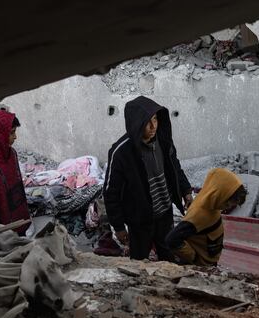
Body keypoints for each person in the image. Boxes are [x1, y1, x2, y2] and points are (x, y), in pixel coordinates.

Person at [103, 96, 193, 261]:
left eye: (155, 119)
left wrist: (186, 191)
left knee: (167, 256)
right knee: (140, 261)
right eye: (147, 122)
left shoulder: (163, 140)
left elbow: (175, 167)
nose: (153, 126)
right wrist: (118, 226)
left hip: (165, 212)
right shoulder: (121, 152)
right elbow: (111, 193)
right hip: (140, 220)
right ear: (136, 124)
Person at [166, 168, 246, 266]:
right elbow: (172, 239)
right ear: (219, 195)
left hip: (209, 256)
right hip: (202, 264)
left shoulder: (212, 203)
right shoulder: (199, 215)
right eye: (228, 203)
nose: (229, 207)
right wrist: (194, 257)